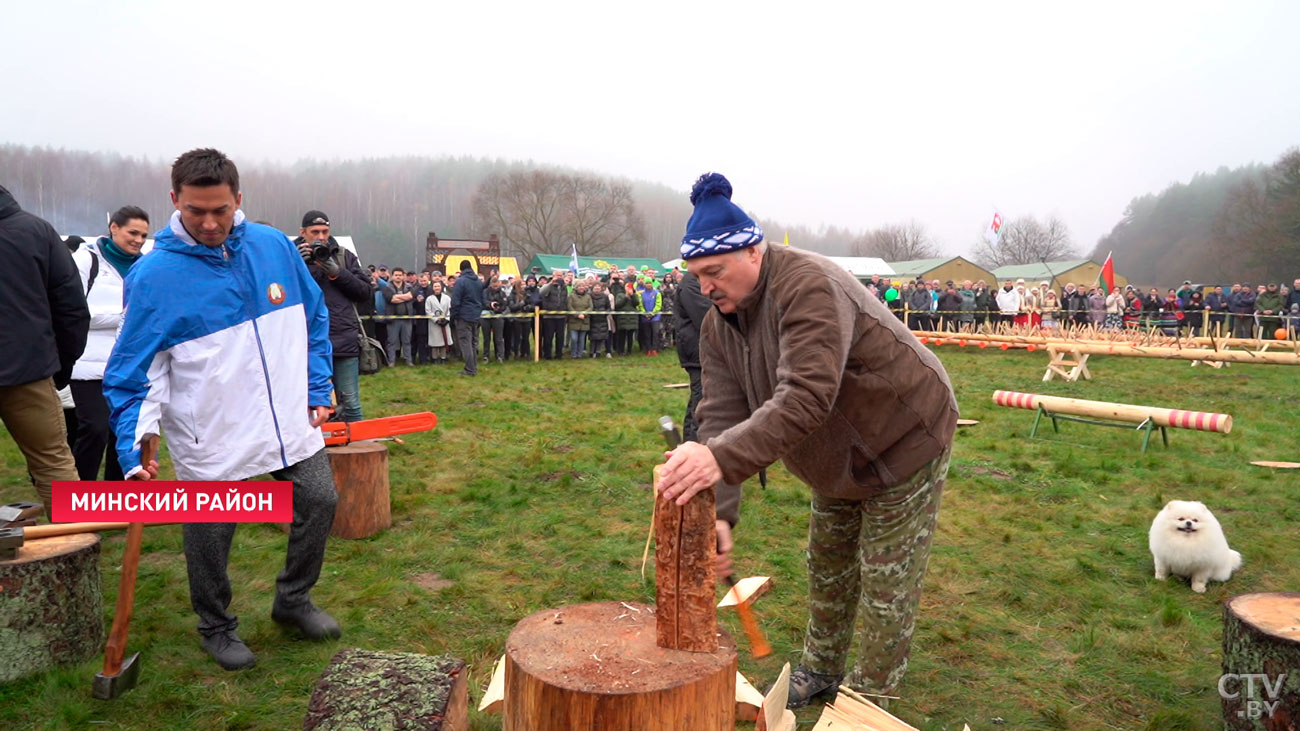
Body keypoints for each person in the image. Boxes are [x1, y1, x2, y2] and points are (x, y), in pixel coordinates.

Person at [658, 173, 956, 710]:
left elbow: (805, 397)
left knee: (886, 578)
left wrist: (715, 459)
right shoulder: (718, 324)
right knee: (828, 563)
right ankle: (820, 671)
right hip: (832, 458)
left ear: (753, 251)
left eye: (714, 272)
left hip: (903, 437)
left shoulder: (808, 286)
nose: (704, 288)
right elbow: (721, 415)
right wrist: (720, 514)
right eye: (697, 276)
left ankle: (866, 702)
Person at [105, 148, 339, 670]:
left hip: (285, 422)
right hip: (209, 433)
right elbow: (130, 373)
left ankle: (293, 600)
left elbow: (314, 316)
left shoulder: (274, 245)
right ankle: (216, 625)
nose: (210, 223)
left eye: (220, 210)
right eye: (195, 211)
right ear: (174, 202)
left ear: (238, 199)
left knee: (320, 500)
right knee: (212, 534)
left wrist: (318, 385)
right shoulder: (154, 275)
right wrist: (133, 446)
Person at [0, 183, 90, 515]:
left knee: (55, 467)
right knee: (54, 466)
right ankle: (76, 559)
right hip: (30, 369)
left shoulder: (35, 230)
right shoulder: (36, 231)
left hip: (31, 368)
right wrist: (59, 368)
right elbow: (72, 310)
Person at [68, 206, 150, 481]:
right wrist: (124, 318)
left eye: (143, 235)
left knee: (124, 435)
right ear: (114, 227)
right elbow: (72, 310)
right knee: (94, 429)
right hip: (87, 364)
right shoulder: (85, 261)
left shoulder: (146, 265)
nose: (138, 240)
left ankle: (115, 501)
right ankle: (77, 500)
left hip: (129, 366)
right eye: (133, 232)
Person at [293, 210, 371, 421]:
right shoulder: (290, 256)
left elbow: (365, 293)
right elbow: (275, 292)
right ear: (303, 232)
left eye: (325, 231)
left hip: (341, 339)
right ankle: (315, 452)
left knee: (351, 405)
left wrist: (337, 272)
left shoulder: (343, 256)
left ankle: (358, 451)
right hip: (303, 342)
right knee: (303, 406)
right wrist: (296, 266)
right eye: (315, 231)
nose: (320, 237)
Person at [672, 268, 714, 441]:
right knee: (700, 399)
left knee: (702, 397)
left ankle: (694, 442)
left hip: (701, 349)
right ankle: (693, 443)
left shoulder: (697, 280)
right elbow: (705, 316)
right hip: (696, 350)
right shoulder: (691, 283)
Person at [450, 259, 485, 376]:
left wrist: (453, 316)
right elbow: (482, 300)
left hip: (463, 316)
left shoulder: (461, 282)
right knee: (474, 343)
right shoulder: (479, 282)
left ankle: (469, 369)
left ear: (461, 269)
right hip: (476, 316)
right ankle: (473, 367)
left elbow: (455, 301)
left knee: (466, 343)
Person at [539, 270, 568, 360]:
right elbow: (541, 292)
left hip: (561, 316)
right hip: (549, 316)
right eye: (557, 275)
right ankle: (547, 354)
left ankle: (559, 354)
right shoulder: (548, 285)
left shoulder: (564, 287)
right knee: (548, 337)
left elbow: (566, 299)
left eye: (560, 275)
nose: (559, 277)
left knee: (560, 337)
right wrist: (551, 283)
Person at [424, 280, 453, 364]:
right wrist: (436, 320)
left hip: (445, 322)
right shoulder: (429, 299)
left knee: (444, 341)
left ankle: (443, 358)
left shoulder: (447, 298)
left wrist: (447, 319)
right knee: (435, 342)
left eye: (438, 286)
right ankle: (435, 358)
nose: (437, 288)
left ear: (441, 287)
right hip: (434, 324)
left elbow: (450, 309)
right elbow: (428, 311)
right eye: (435, 286)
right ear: (432, 288)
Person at [482, 275, 509, 363]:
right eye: (494, 285)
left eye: (497, 285)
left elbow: (505, 304)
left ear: (500, 284)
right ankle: (486, 356)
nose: (495, 287)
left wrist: (499, 309)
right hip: (486, 316)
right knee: (486, 338)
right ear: (491, 284)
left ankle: (500, 356)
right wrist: (490, 304)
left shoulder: (502, 293)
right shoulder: (485, 292)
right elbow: (483, 301)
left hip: (498, 316)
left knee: (499, 338)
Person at [566, 280, 593, 358]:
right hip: (574, 320)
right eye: (579, 286)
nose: (581, 288)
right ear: (576, 287)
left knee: (581, 339)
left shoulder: (588, 297)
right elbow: (569, 306)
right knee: (574, 339)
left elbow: (590, 307)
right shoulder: (571, 296)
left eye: (583, 286)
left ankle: (579, 354)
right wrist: (577, 315)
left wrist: (584, 313)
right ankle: (573, 353)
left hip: (584, 321)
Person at [636, 276, 663, 355]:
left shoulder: (657, 293)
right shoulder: (641, 294)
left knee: (655, 333)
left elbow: (658, 304)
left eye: (649, 283)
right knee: (647, 334)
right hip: (645, 317)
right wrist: (644, 313)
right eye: (647, 283)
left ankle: (655, 349)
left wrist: (653, 313)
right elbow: (640, 304)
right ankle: (648, 349)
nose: (648, 284)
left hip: (655, 317)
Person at [410, 271, 432, 365]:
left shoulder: (431, 290)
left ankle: (427, 357)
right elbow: (411, 304)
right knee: (418, 340)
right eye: (421, 281)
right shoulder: (415, 290)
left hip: (429, 319)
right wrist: (416, 301)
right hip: (418, 320)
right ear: (419, 281)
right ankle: (417, 359)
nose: (423, 283)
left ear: (428, 280)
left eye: (425, 281)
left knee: (427, 340)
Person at [614, 280, 640, 355]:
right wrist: (626, 297)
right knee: (621, 335)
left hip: (632, 318)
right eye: (627, 286)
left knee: (630, 336)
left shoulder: (635, 295)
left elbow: (636, 303)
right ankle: (620, 350)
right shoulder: (620, 295)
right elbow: (618, 304)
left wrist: (632, 295)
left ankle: (629, 350)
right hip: (622, 318)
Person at [588, 281, 614, 358]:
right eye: (595, 286)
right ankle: (592, 352)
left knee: (601, 336)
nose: (597, 288)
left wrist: (605, 313)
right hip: (592, 319)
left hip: (602, 318)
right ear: (593, 288)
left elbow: (608, 307)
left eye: (598, 286)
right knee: (593, 337)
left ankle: (598, 351)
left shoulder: (605, 296)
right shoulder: (589, 296)